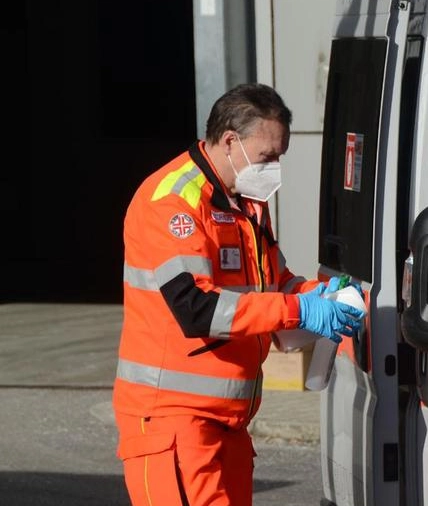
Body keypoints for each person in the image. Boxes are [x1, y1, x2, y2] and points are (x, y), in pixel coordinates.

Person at [112, 83, 364, 506]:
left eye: (279, 156)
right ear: (230, 141)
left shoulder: (244, 205)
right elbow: (196, 309)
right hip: (174, 424)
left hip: (228, 424)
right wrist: (298, 308)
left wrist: (320, 294)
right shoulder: (173, 202)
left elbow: (273, 283)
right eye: (267, 157)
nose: (274, 168)